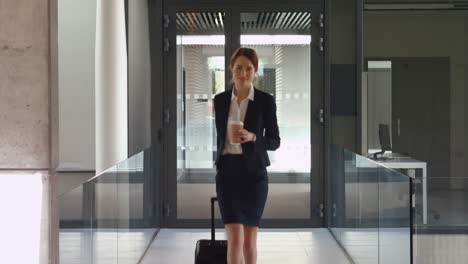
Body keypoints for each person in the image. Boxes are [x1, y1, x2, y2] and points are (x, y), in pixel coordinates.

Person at [213, 47, 280, 264]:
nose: (243, 73)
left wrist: (252, 137)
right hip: (228, 174)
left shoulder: (265, 101)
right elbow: (221, 136)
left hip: (254, 175)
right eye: (239, 68)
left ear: (255, 71)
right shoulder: (220, 100)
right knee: (234, 240)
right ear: (231, 69)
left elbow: (274, 141)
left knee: (249, 243)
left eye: (249, 68)